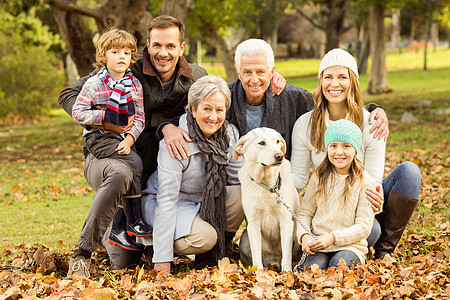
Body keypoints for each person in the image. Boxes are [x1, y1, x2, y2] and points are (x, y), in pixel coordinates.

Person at [58, 15, 208, 270]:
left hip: (159, 170)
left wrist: (271, 80)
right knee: (124, 261)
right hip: (110, 153)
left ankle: (149, 237)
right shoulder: (127, 68)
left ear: (181, 48)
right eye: (157, 45)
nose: (163, 53)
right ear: (147, 45)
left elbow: (217, 103)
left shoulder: (195, 76)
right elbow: (68, 94)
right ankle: (112, 226)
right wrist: (104, 120)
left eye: (170, 46)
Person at [291, 49, 421, 262]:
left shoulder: (371, 123)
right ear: (320, 81)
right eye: (328, 77)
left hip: (361, 206)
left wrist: (375, 201)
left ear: (353, 82)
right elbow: (298, 179)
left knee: (409, 173)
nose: (334, 84)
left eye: (342, 77)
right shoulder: (305, 124)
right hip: (327, 208)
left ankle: (383, 250)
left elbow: (373, 181)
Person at [139, 75, 245, 275]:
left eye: (219, 110)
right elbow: (167, 200)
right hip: (171, 204)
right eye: (207, 109)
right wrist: (162, 259)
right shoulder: (176, 141)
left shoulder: (229, 134)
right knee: (206, 237)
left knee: (241, 195)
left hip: (203, 202)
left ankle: (213, 252)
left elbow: (237, 179)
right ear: (193, 109)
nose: (213, 117)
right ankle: (157, 246)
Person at [68, 28, 149, 277]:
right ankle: (83, 254)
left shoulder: (134, 84)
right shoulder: (94, 83)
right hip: (99, 139)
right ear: (103, 55)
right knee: (129, 165)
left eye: (126, 52)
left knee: (133, 162)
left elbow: (139, 117)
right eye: (115, 52)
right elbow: (78, 112)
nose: (121, 57)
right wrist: (104, 118)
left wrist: (129, 136)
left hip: (123, 142)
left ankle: (131, 221)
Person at [298, 119, 376, 269]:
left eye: (346, 146)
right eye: (333, 146)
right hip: (319, 243)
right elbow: (305, 213)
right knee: (313, 269)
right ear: (327, 148)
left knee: (338, 266)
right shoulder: (319, 177)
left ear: (355, 149)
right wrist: (304, 236)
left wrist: (333, 238)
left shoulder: (365, 182)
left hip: (351, 246)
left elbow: (363, 227)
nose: (339, 152)